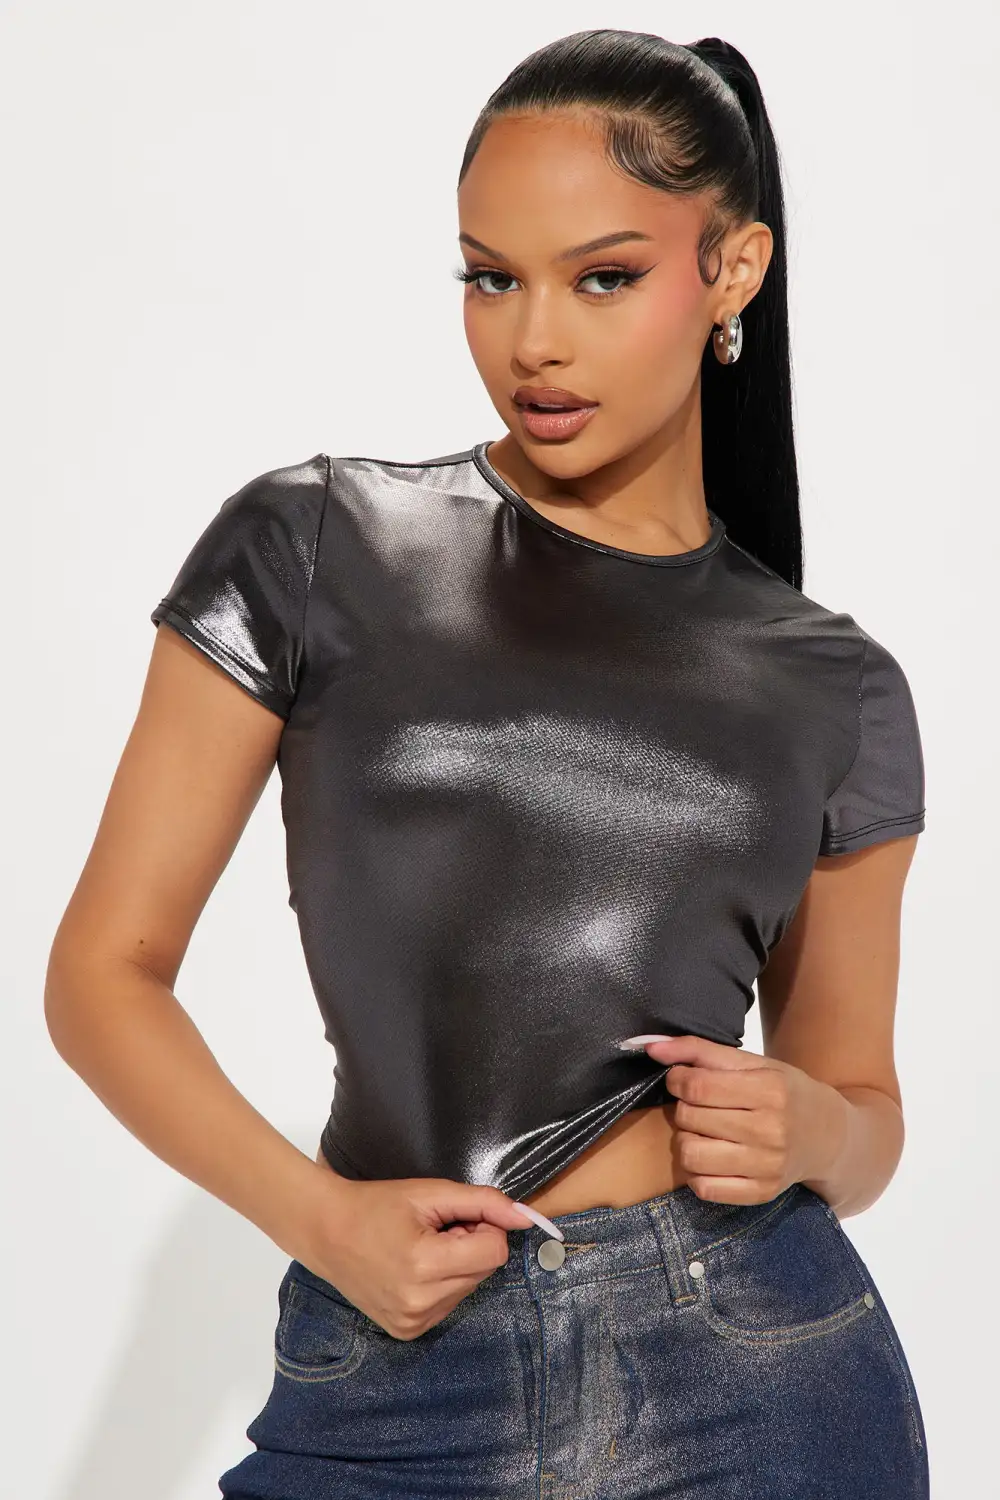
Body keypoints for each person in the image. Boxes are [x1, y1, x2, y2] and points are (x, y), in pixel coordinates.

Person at [44, 28, 931, 1499]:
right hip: (392, 1367)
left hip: (754, 1373)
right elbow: (102, 975)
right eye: (490, 277)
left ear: (732, 270)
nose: (535, 342)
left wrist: (817, 1127)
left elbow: (863, 1108)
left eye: (604, 278)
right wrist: (323, 1222)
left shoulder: (836, 682)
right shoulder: (317, 543)